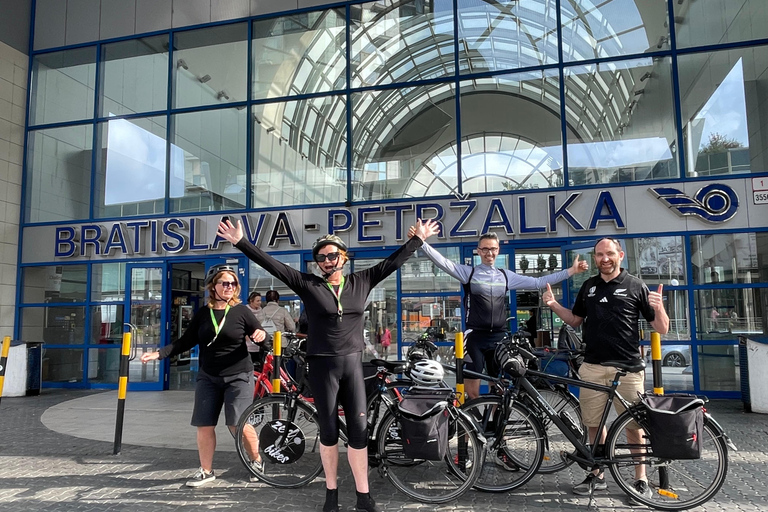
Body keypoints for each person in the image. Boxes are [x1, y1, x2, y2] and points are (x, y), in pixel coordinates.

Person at [217, 218, 438, 512]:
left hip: (352, 367)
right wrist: (241, 242)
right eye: (321, 257)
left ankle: (363, 496)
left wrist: (418, 240)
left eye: (332, 255)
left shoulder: (362, 281)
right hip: (322, 369)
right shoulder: (308, 285)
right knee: (330, 433)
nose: (326, 260)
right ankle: (331, 494)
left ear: (343, 258)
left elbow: (393, 262)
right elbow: (274, 266)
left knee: (358, 433)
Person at [541, 237, 669, 503]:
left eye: (609, 253)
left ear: (620, 255)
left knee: (634, 426)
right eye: (599, 254)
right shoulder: (588, 286)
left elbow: (662, 328)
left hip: (628, 369)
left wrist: (660, 308)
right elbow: (575, 320)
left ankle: (640, 479)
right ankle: (597, 475)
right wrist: (553, 305)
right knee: (593, 425)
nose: (604, 259)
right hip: (593, 367)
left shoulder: (636, 286)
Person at [407, 229, 588, 400]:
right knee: (472, 392)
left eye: (493, 249)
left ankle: (496, 430)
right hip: (474, 338)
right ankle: (474, 429)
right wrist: (421, 243)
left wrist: (571, 271)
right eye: (485, 249)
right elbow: (443, 262)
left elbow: (538, 282)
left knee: (499, 391)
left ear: (498, 250)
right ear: (478, 251)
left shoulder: (505, 276)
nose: (489, 253)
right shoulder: (469, 273)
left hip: (499, 339)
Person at [140, 264, 268, 487]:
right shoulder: (203, 313)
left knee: (237, 424)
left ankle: (256, 460)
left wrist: (262, 334)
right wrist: (159, 354)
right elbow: (185, 342)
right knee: (204, 424)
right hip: (209, 376)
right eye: (224, 283)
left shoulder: (242, 311)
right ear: (213, 286)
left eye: (233, 283)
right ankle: (207, 471)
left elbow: (262, 338)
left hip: (238, 375)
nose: (229, 287)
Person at [246, 291, 265, 366]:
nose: (259, 302)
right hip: (248, 344)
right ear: (251, 301)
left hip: (260, 344)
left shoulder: (262, 312)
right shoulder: (246, 311)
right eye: (257, 301)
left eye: (260, 300)